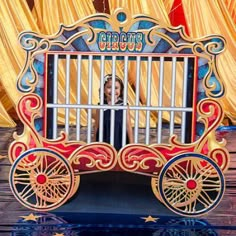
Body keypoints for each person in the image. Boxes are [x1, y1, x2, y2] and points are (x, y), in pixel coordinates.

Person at [93, 74, 133, 151]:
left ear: (121, 90)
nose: (113, 91)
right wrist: (94, 144)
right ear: (103, 89)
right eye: (109, 87)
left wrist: (131, 146)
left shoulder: (124, 106)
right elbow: (96, 127)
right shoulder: (100, 106)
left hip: (120, 140)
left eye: (116, 88)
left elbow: (129, 127)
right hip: (104, 141)